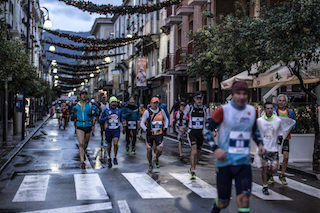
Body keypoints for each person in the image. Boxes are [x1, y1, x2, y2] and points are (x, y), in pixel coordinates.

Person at [205, 81, 265, 213]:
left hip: (243, 163)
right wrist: (216, 149)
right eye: (238, 93)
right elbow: (207, 130)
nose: (241, 97)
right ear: (233, 94)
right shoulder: (223, 110)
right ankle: (215, 208)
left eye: (244, 94)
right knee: (223, 202)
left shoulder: (251, 111)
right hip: (225, 163)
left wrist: (260, 144)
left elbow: (254, 130)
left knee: (244, 198)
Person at [257, 102, 282, 195]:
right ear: (264, 110)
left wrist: (280, 137)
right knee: (264, 168)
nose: (270, 110)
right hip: (264, 149)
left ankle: (268, 175)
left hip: (274, 149)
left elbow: (280, 132)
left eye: (271, 108)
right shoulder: (260, 121)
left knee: (274, 169)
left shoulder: (278, 121)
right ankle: (265, 186)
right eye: (267, 108)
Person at [140, 97, 169, 173]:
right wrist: (146, 129)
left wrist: (165, 128)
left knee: (159, 150)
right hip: (150, 134)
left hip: (159, 134)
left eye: (157, 103)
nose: (156, 104)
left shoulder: (161, 111)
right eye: (154, 103)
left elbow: (166, 119)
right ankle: (150, 164)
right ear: (151, 103)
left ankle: (156, 158)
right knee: (149, 150)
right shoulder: (147, 112)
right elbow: (142, 123)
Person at [73, 90, 100, 169]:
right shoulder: (76, 105)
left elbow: (98, 111)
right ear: (80, 96)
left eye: (85, 94)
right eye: (82, 94)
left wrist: (93, 114)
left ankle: (83, 152)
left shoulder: (91, 105)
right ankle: (82, 161)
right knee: (81, 143)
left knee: (85, 144)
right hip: (80, 125)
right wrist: (74, 117)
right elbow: (74, 113)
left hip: (88, 125)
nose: (84, 96)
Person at [187, 92, 211, 180]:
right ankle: (193, 170)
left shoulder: (205, 109)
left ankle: (192, 167)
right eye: (197, 98)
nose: (199, 100)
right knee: (194, 150)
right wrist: (181, 125)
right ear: (194, 99)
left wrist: (213, 130)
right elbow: (182, 115)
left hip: (201, 132)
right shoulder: (190, 107)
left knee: (198, 153)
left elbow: (209, 119)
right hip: (192, 132)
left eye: (201, 98)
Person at [274, 94, 296, 185]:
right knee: (275, 158)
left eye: (283, 101)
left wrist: (291, 127)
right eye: (280, 100)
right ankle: (271, 175)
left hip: (286, 137)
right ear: (277, 101)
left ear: (286, 102)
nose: (281, 102)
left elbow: (294, 122)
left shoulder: (290, 112)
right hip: (276, 138)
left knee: (286, 157)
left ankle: (282, 175)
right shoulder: (274, 111)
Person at [99, 96, 124, 168]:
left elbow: (121, 119)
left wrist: (123, 123)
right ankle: (109, 157)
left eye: (115, 102)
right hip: (108, 130)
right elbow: (101, 120)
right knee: (109, 145)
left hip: (116, 129)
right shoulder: (106, 111)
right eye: (112, 102)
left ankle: (115, 157)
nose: (114, 103)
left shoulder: (119, 111)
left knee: (115, 143)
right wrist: (107, 117)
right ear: (110, 103)